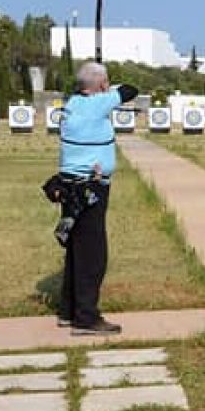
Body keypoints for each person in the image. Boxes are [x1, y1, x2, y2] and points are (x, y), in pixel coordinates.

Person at [53, 62, 137, 335]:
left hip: (70, 186)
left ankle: (68, 310)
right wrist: (108, 90)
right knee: (93, 255)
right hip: (90, 188)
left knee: (77, 250)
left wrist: (101, 88)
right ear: (100, 84)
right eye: (105, 81)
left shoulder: (74, 103)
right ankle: (86, 318)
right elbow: (130, 89)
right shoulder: (96, 104)